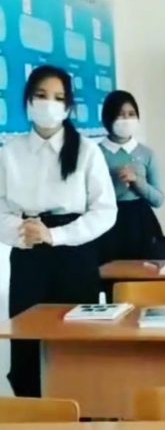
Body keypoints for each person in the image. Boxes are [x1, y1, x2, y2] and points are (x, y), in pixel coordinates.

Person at [0, 65, 117, 396]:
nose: (48, 103)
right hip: (28, 252)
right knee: (27, 344)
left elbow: (105, 211)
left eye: (58, 97)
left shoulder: (86, 151)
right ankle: (32, 411)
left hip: (74, 252)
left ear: (67, 107)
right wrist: (21, 231)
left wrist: (56, 235)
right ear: (28, 101)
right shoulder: (10, 152)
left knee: (75, 343)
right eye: (41, 95)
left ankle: (80, 410)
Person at [98, 90, 164, 261]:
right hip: (107, 221)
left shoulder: (146, 153)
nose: (126, 119)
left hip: (141, 223)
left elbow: (158, 200)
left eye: (131, 114)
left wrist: (138, 182)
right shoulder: (96, 153)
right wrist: (116, 184)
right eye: (120, 115)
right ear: (108, 118)